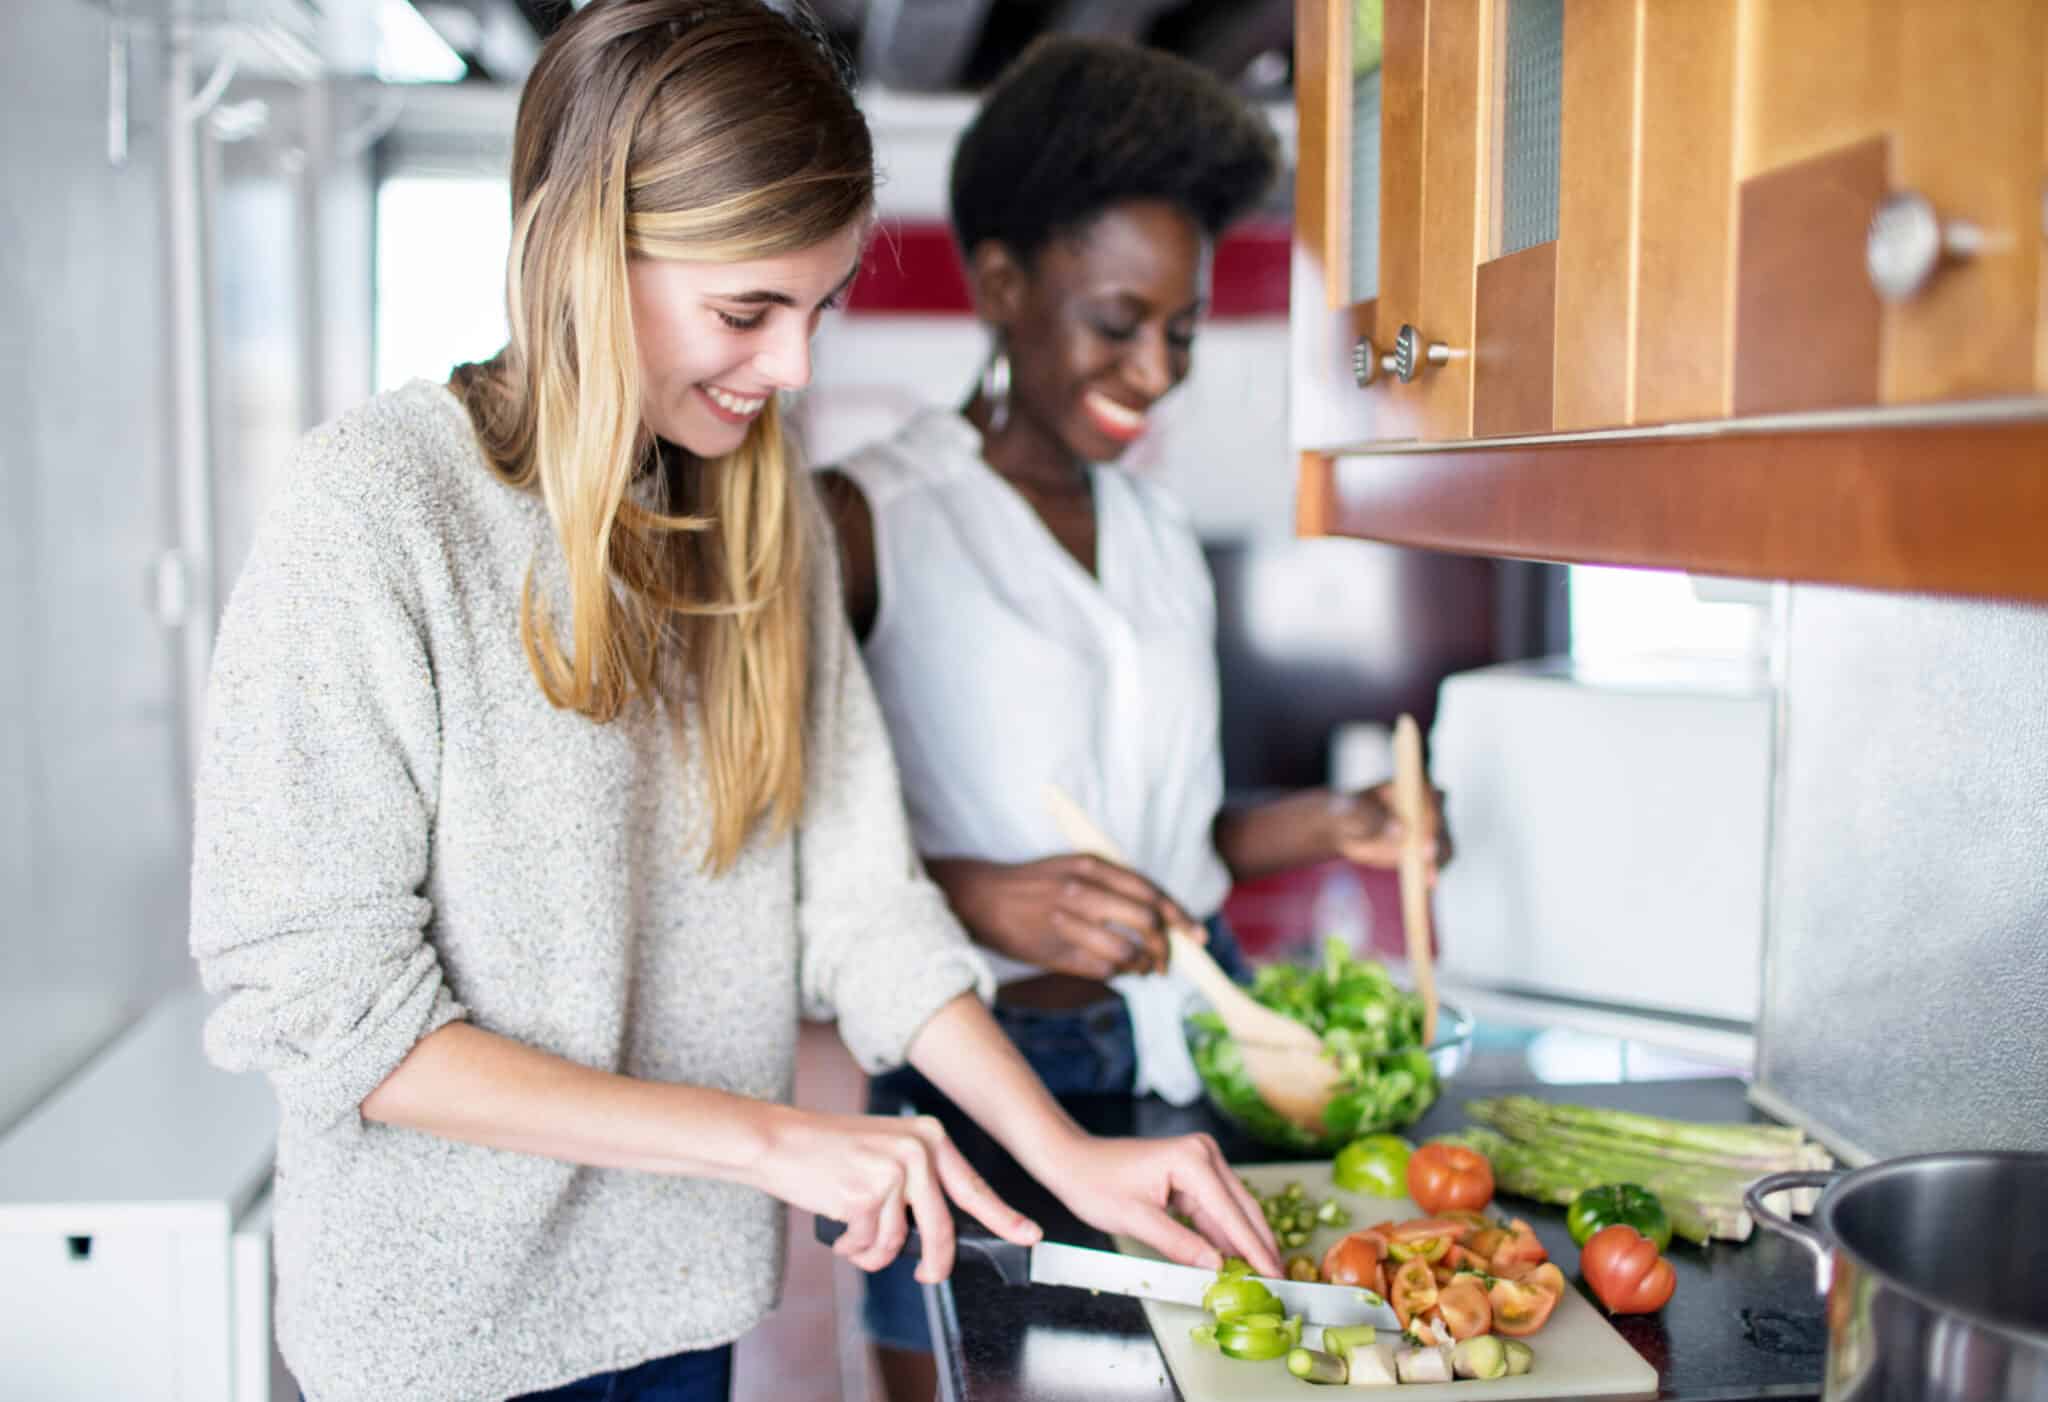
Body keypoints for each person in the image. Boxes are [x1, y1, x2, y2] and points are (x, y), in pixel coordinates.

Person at [187, 6, 1278, 1401]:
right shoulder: (382, 507)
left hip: (681, 1300)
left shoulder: (767, 528)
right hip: (441, 1333)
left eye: (818, 309)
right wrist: (771, 1141)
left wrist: (1067, 1151)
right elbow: (333, 1011)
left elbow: (863, 903)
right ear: (586, 252)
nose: (795, 370)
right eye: (746, 311)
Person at [817, 36, 1448, 1399]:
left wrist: (1344, 823)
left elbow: (1175, 831)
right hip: (979, 1080)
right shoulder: (868, 520)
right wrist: (980, 892)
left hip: (1178, 1052)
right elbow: (778, 860)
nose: (1157, 370)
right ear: (1000, 283)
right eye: (1118, 321)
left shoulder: (1159, 534)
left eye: (1182, 329)